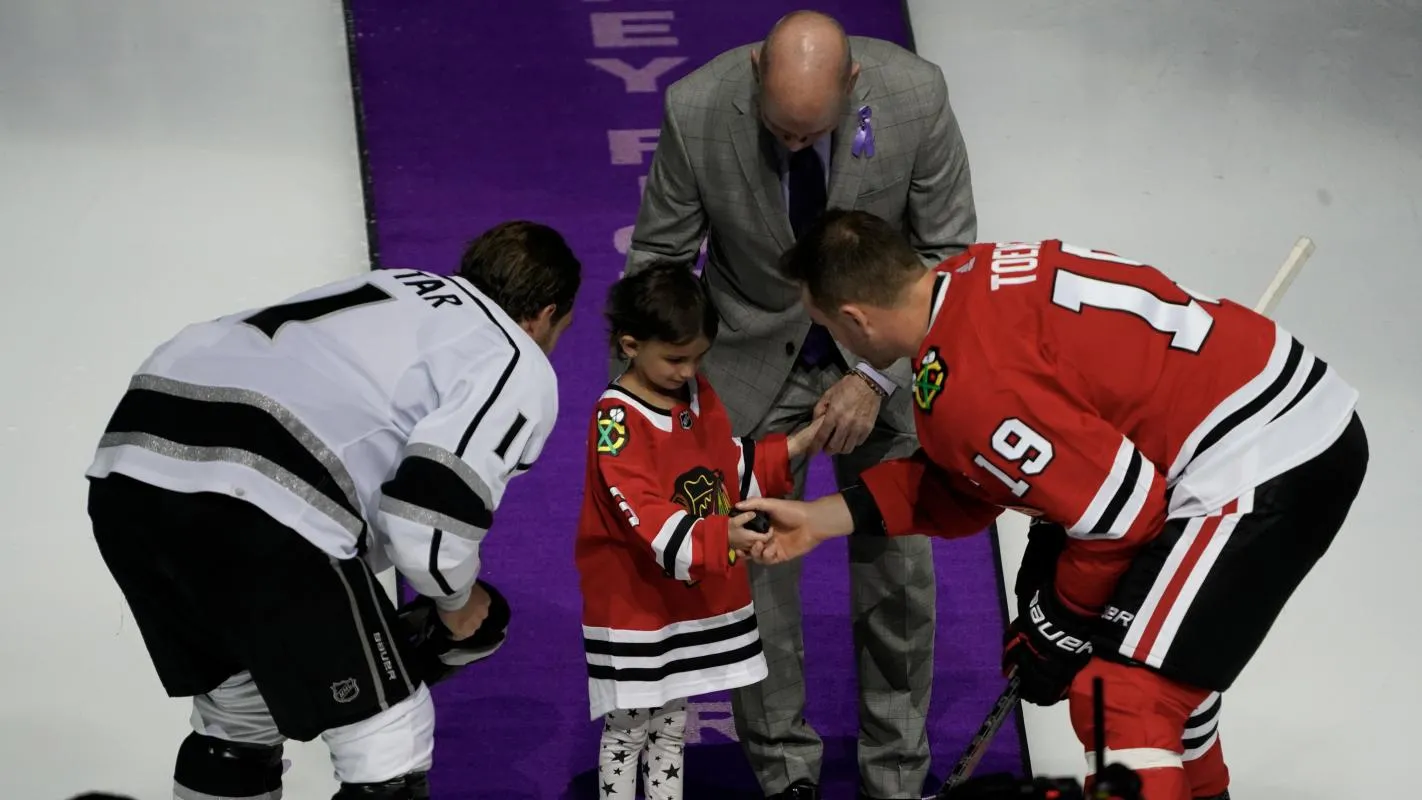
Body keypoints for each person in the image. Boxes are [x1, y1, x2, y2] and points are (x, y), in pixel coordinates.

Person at [741, 209, 1367, 800]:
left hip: (1267, 454)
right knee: (1172, 689)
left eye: (826, 325)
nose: (834, 340)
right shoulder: (968, 277)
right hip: (1268, 416)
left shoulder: (970, 384)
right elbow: (975, 476)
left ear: (856, 320)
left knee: (1122, 698)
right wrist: (823, 518)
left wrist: (1058, 622)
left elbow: (1122, 515)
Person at [84, 221, 582, 800]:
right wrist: (456, 603)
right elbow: (427, 523)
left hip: (129, 472)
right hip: (261, 496)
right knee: (388, 739)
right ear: (545, 315)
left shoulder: (397, 283)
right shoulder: (512, 355)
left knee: (240, 715)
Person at [624, 10, 977, 798]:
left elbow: (950, 255)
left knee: (897, 573)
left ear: (853, 84)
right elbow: (660, 259)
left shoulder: (915, 96)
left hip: (880, 355)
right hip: (751, 363)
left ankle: (896, 776)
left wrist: (876, 376)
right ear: (756, 70)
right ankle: (785, 773)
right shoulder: (695, 106)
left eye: (809, 133)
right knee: (755, 579)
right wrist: (651, 398)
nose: (791, 144)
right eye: (779, 128)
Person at [577, 263, 823, 799]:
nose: (689, 371)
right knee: (627, 731)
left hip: (683, 600)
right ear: (630, 345)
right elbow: (639, 510)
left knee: (670, 726)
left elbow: (722, 463)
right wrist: (719, 537)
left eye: (698, 357)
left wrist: (795, 446)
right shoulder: (615, 419)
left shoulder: (696, 392)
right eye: (675, 359)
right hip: (634, 605)